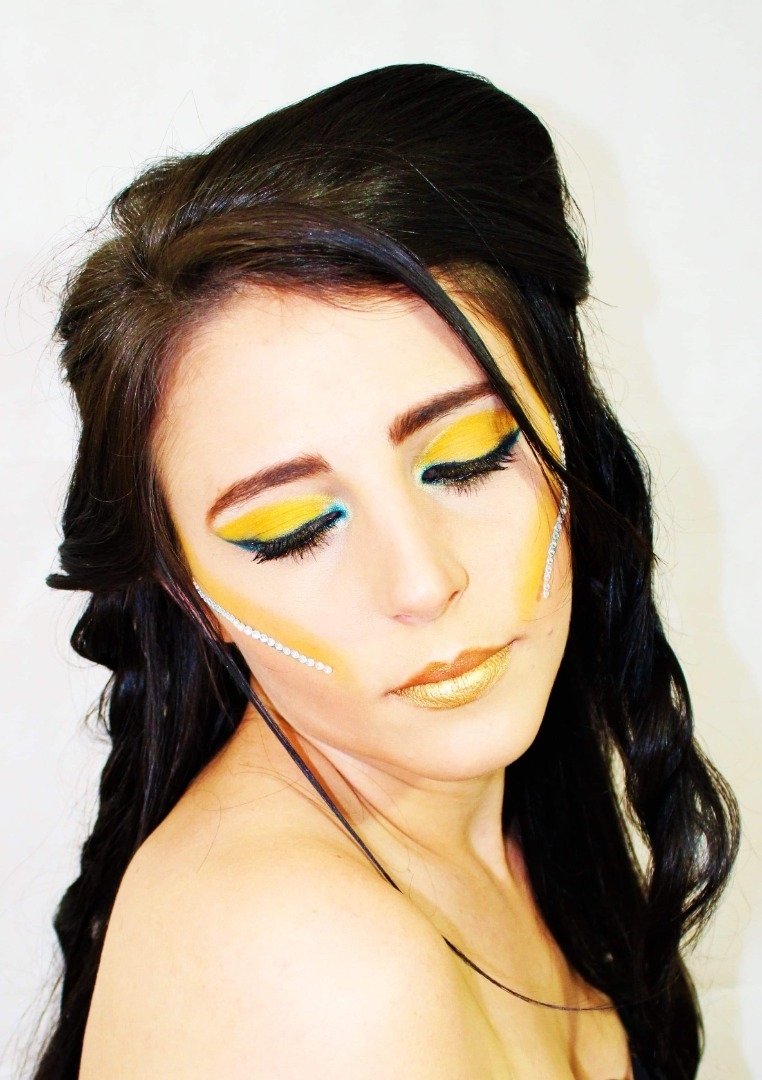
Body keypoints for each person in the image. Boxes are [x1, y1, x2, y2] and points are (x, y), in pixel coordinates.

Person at [33, 64, 739, 1080]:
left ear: (564, 436)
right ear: (190, 594)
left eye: (467, 461)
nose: (421, 581)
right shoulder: (317, 972)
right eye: (291, 531)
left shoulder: (514, 824)